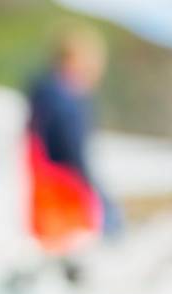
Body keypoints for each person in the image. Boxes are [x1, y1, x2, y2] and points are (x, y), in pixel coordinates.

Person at [27, 26, 120, 244]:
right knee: (112, 220)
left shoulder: (42, 92)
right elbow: (76, 158)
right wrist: (103, 200)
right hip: (60, 203)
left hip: (43, 200)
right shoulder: (64, 101)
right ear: (75, 61)